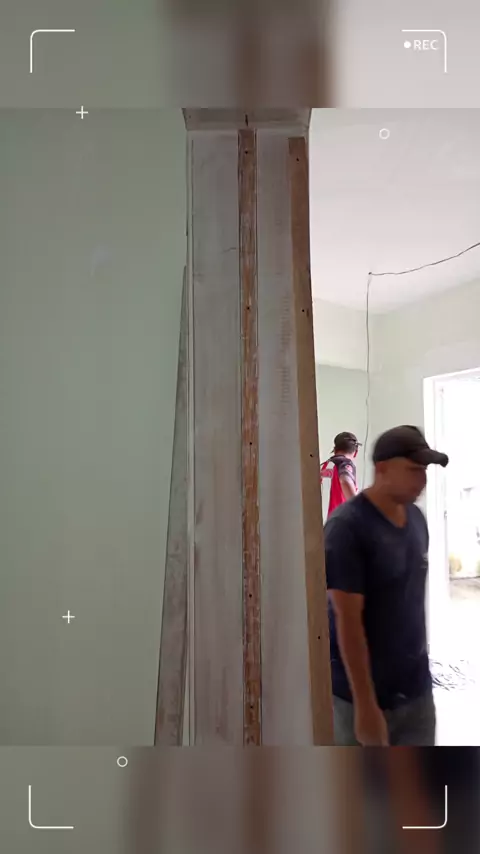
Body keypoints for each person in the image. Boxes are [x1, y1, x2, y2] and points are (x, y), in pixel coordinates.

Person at [325, 425, 449, 746]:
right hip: (361, 700)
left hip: (416, 694)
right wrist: (366, 706)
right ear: (382, 469)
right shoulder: (346, 528)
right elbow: (347, 623)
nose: (421, 480)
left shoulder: (417, 520)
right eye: (412, 470)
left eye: (424, 471)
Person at [320, 432, 360, 520]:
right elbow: (345, 481)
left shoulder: (325, 465)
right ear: (355, 452)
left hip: (321, 520)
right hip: (338, 521)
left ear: (335, 450)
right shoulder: (345, 464)